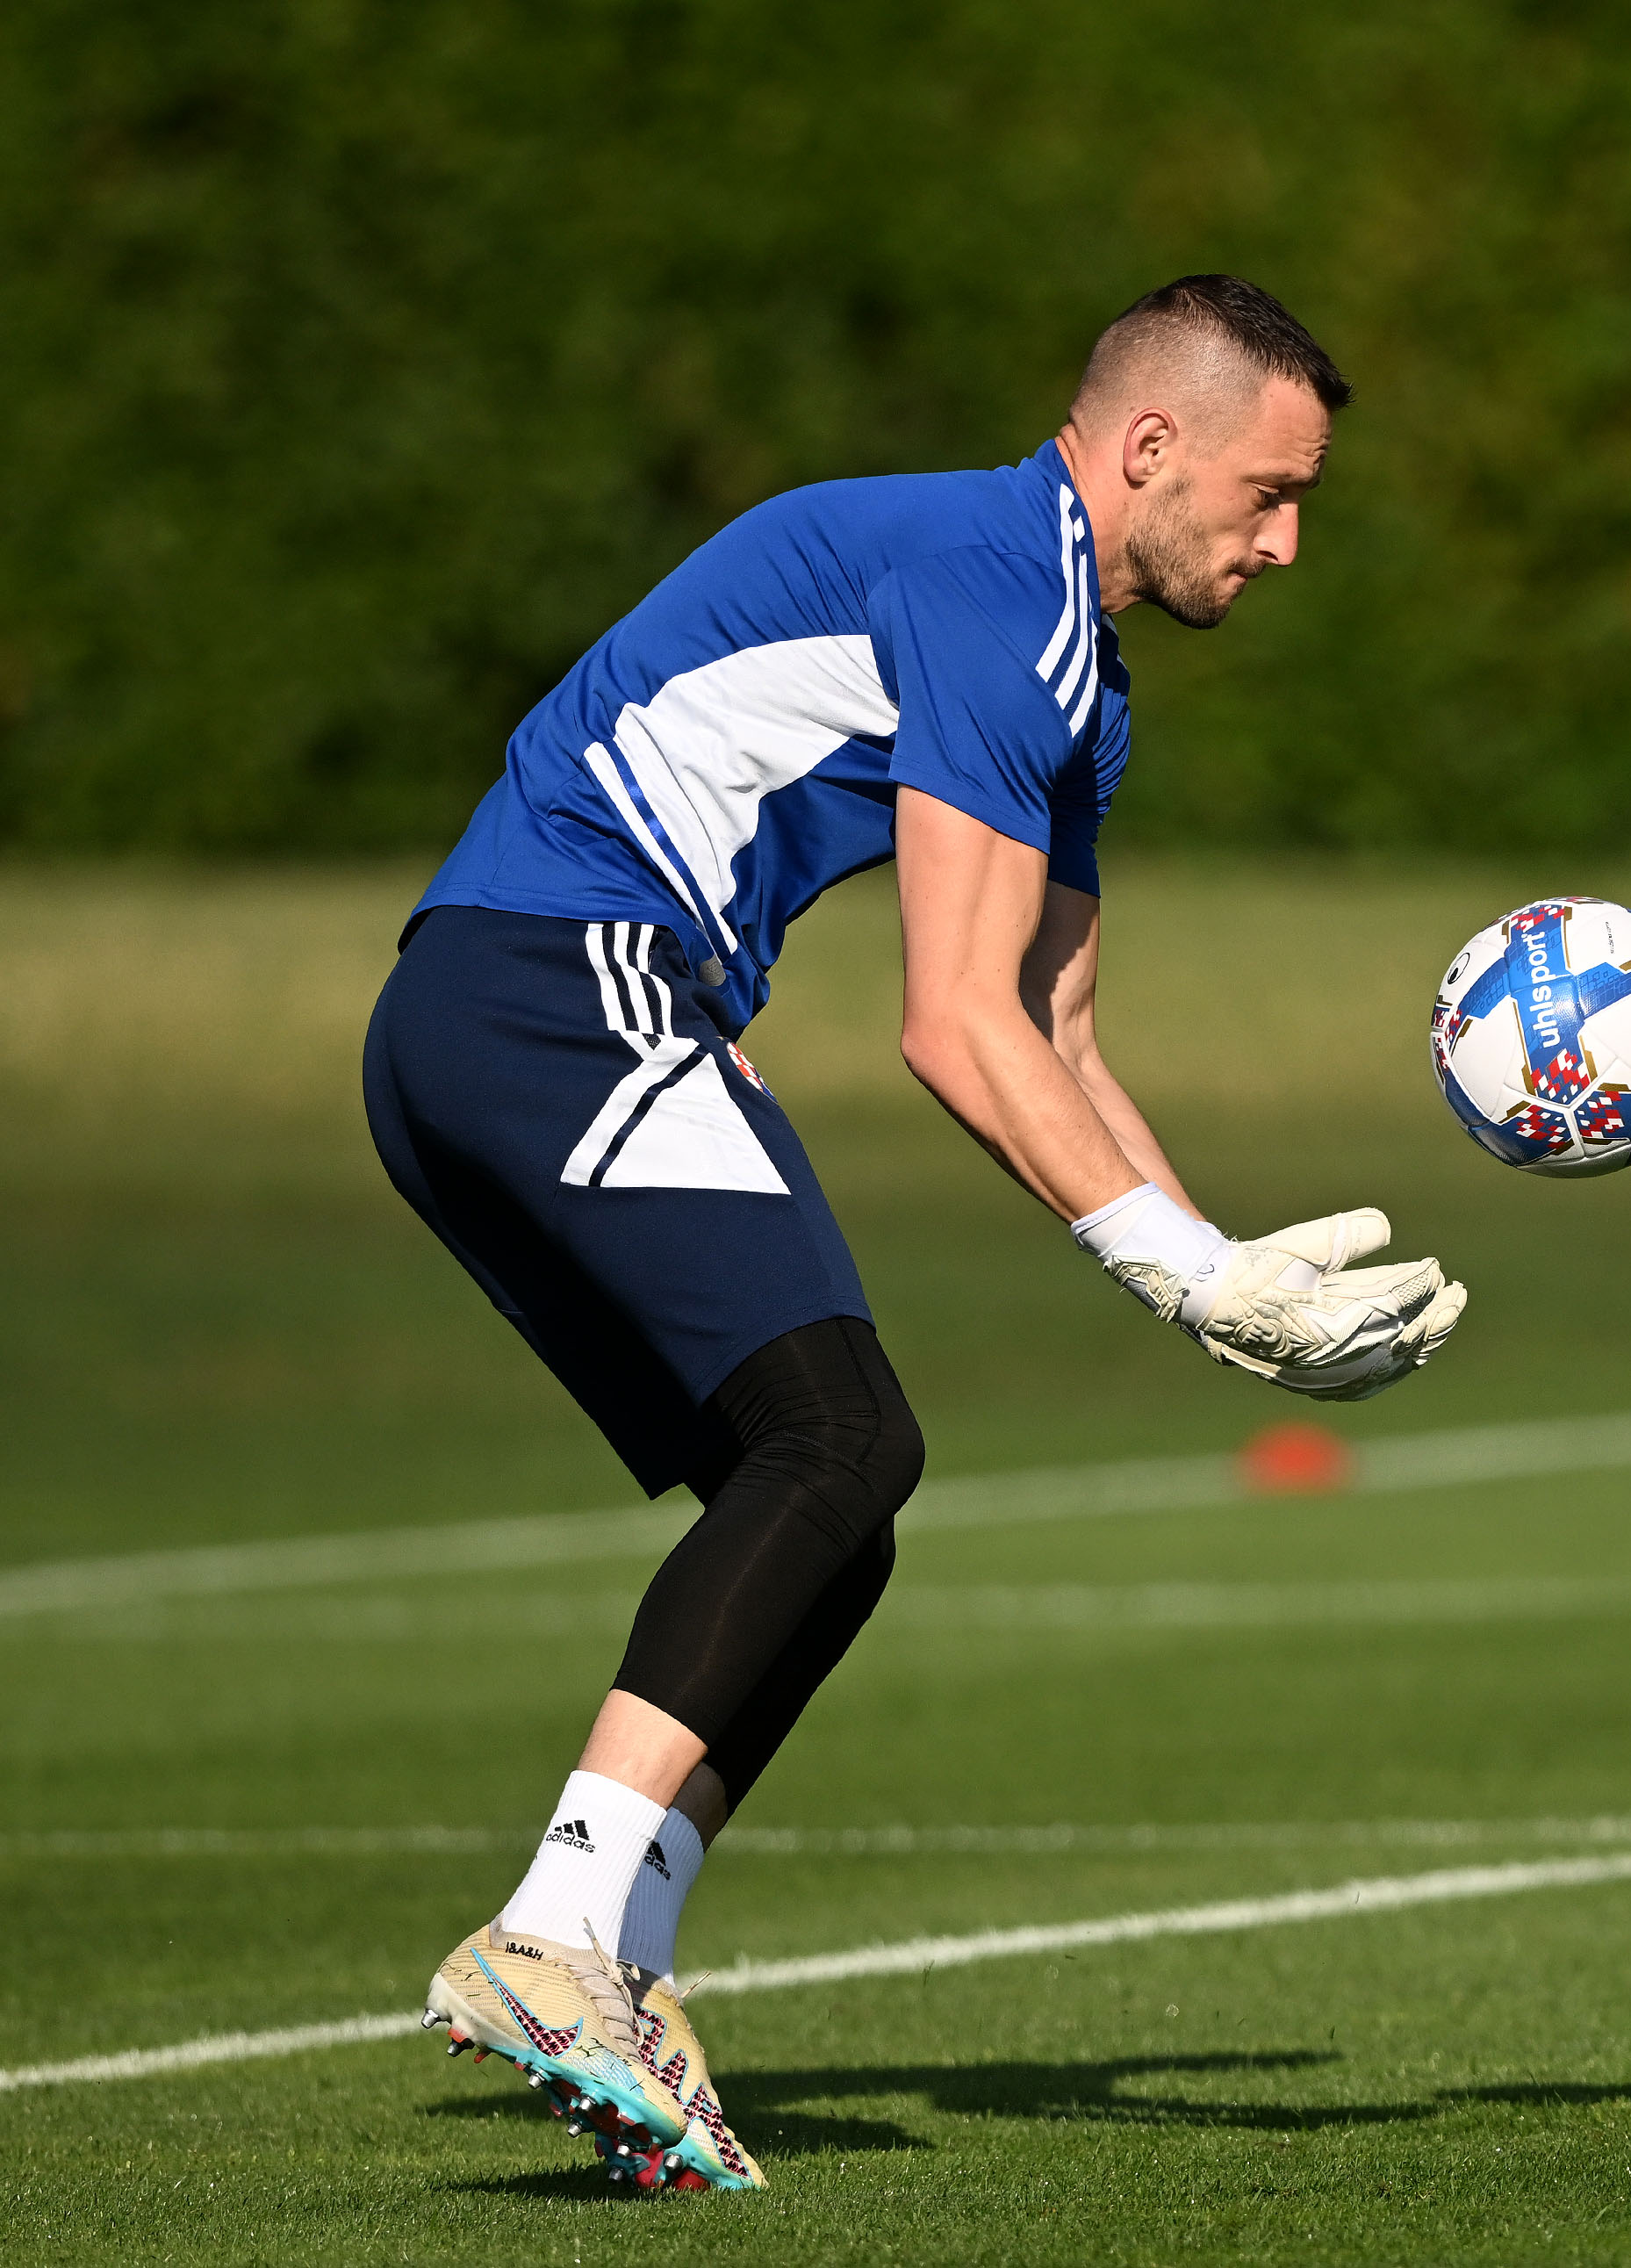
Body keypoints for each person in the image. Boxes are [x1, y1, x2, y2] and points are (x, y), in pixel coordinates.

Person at [370, 275, 1468, 2192]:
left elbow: (1056, 1035)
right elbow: (951, 1025)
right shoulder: (990, 582)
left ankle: (614, 1964)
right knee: (840, 1439)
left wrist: (1226, 1276)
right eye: (1273, 492)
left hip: (512, 1010)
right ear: (1151, 448)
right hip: (556, 988)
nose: (1288, 541)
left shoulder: (1071, 681)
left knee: (833, 1504)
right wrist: (1181, 1269)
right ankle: (555, 1930)